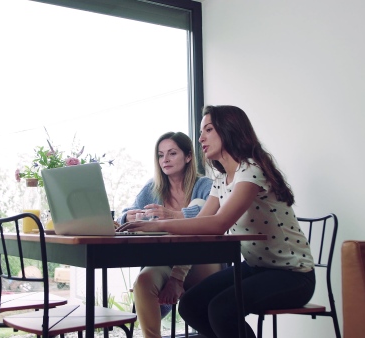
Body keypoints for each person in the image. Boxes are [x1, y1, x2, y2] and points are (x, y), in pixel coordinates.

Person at [118, 106, 316, 338]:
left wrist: (159, 224)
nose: (201, 138)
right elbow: (199, 228)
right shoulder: (221, 181)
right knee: (191, 306)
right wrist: (175, 275)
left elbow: (218, 223)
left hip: (293, 275)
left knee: (222, 309)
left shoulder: (251, 171)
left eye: (208, 130)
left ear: (229, 130)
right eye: (201, 131)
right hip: (256, 268)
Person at [119, 131, 221, 338]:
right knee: (143, 280)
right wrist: (128, 218)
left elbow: (203, 218)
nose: (164, 159)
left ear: (188, 156)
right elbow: (125, 214)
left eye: (172, 153)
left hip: (201, 261)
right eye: (160, 154)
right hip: (164, 260)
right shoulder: (153, 188)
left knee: (198, 209)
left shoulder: (205, 186)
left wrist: (177, 278)